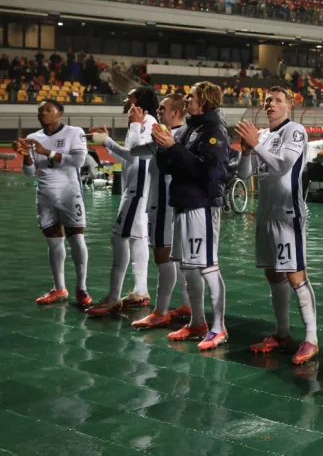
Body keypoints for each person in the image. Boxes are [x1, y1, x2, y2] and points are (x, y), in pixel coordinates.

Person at [235, 87, 318, 364]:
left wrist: (255, 145)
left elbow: (283, 166)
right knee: (273, 274)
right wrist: (247, 151)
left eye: (278, 100)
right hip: (266, 214)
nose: (271, 104)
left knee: (295, 275)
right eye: (268, 100)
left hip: (287, 213)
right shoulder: (263, 136)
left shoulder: (295, 130)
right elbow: (244, 174)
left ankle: (311, 338)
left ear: (289, 106)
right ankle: (282, 333)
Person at [153, 81, 231, 350]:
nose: (185, 99)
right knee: (187, 266)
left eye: (191, 96)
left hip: (202, 204)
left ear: (205, 101)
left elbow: (204, 171)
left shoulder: (215, 131)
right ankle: (198, 322)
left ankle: (219, 327)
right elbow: (169, 166)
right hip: (183, 202)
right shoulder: (189, 128)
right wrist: (163, 147)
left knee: (208, 266)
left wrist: (173, 147)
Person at [86, 87, 159, 316]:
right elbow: (127, 159)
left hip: (137, 193)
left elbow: (136, 154)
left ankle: (113, 297)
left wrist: (107, 141)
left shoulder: (147, 123)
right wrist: (107, 142)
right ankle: (140, 291)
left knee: (119, 239)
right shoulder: (138, 124)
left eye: (130, 96)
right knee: (137, 240)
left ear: (139, 102)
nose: (126, 99)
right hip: (134, 190)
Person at [130, 94, 194, 330]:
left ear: (175, 113)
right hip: (182, 205)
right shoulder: (189, 135)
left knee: (162, 256)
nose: (158, 111)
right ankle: (187, 304)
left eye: (162, 108)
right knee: (179, 257)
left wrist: (136, 124)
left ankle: (161, 311)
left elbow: (134, 150)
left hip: (164, 205)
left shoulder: (163, 137)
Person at [18, 100, 91, 306]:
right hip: (45, 194)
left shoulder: (73, 132)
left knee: (76, 238)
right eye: (40, 110)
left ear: (59, 113)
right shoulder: (33, 137)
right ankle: (59, 288)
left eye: (48, 109)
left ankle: (82, 288)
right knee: (53, 241)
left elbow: (78, 161)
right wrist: (26, 156)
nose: (43, 113)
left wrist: (46, 152)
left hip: (70, 193)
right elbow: (30, 173)